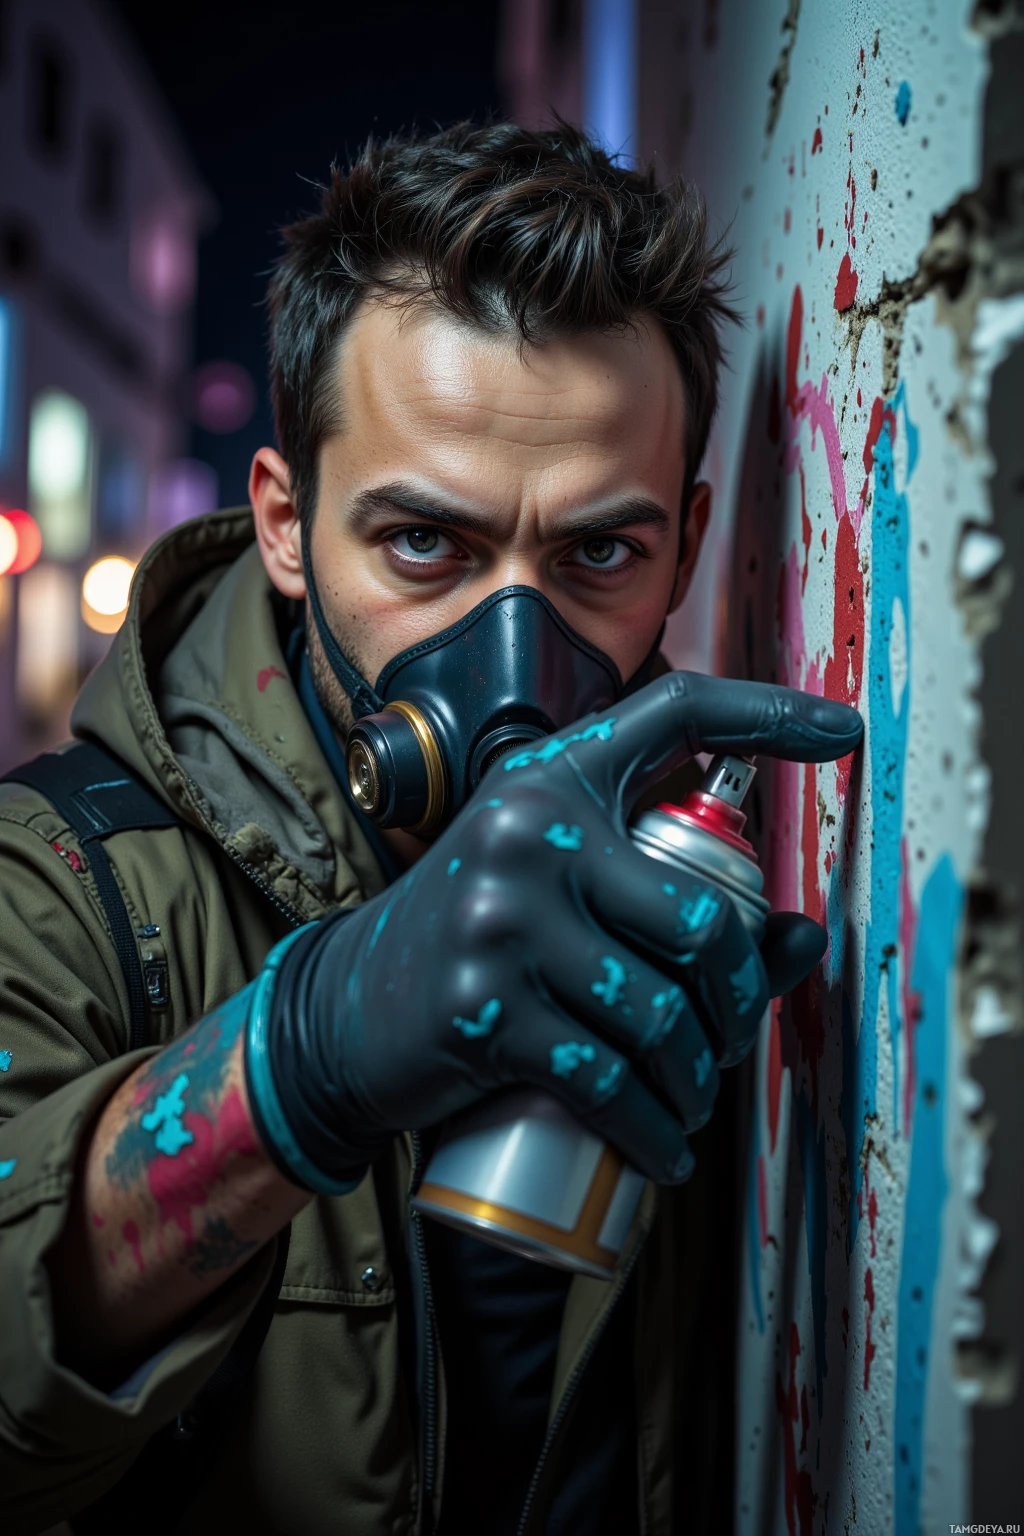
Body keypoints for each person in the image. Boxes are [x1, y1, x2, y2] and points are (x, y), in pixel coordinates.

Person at [0, 121, 861, 1536]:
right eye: (424, 545)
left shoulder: (700, 894)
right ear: (286, 521)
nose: (511, 650)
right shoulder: (60, 890)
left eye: (599, 554)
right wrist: (306, 1054)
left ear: (690, 545)